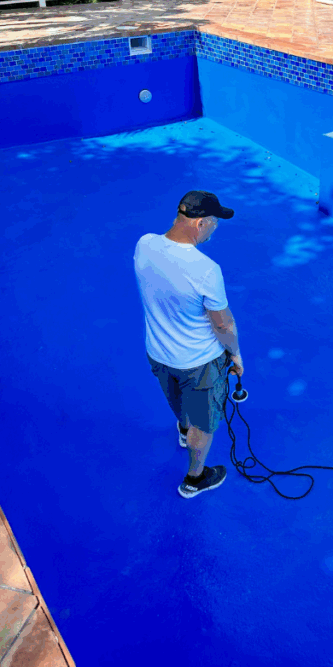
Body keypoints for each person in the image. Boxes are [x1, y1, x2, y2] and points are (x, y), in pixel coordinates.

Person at [133, 190, 243, 499]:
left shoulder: (144, 244)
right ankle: (195, 478)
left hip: (158, 354)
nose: (214, 230)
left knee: (178, 402)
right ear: (200, 223)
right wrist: (235, 355)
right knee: (203, 426)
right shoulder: (205, 270)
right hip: (199, 363)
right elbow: (223, 324)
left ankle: (183, 430)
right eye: (214, 223)